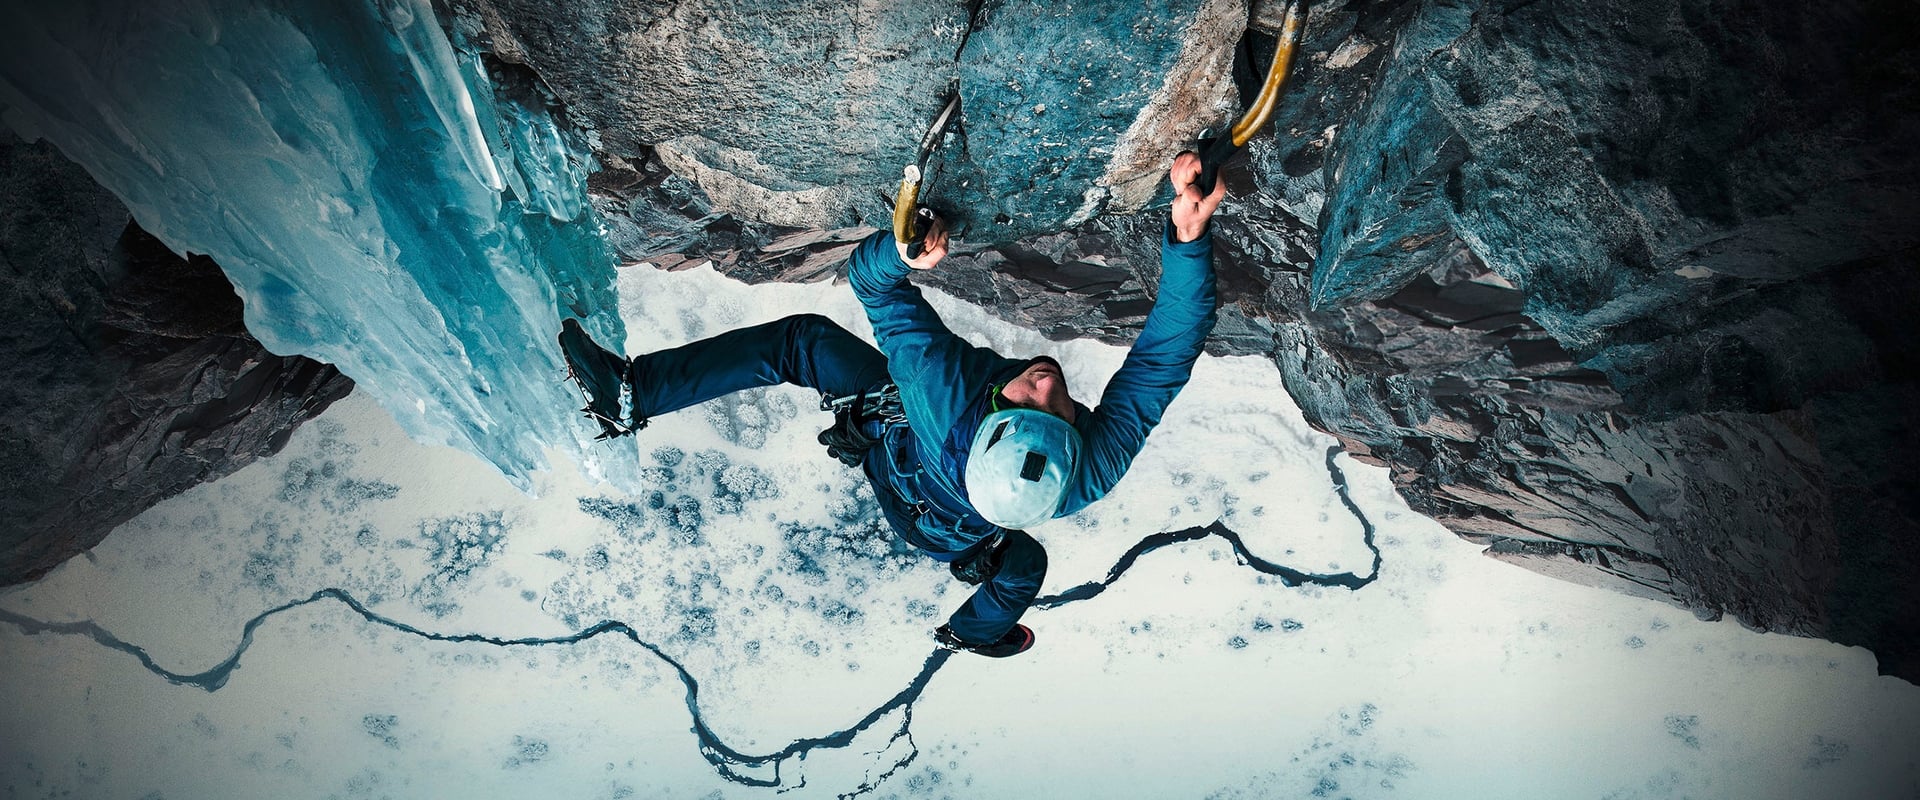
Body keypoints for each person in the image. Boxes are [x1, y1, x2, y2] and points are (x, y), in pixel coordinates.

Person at [559, 152, 1225, 658]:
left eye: (1028, 395)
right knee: (1020, 562)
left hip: (905, 453)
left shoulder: (941, 392)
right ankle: (974, 630)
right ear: (1075, 443)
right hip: (938, 503)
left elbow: (873, 286)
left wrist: (900, 251)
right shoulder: (1086, 470)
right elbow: (1163, 360)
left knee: (804, 343)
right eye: (1057, 405)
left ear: (993, 413)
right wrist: (1190, 238)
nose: (1047, 380)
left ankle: (632, 393)